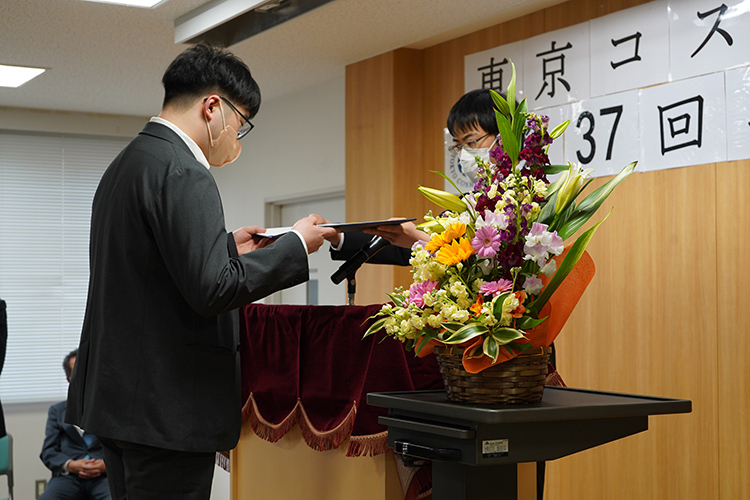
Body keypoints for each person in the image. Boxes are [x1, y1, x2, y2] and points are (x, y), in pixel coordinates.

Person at [66, 42, 336, 500]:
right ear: (213, 108)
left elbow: (147, 268)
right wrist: (295, 244)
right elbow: (213, 289)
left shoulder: (128, 164)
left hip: (119, 402)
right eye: (241, 123)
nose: (238, 137)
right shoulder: (184, 170)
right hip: (164, 408)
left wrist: (225, 247)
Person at [328, 88, 551, 500]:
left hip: (513, 359)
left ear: (506, 137)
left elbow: (496, 260)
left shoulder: (533, 199)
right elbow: (427, 248)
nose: (464, 154)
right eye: (457, 145)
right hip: (466, 359)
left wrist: (422, 239)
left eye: (472, 141)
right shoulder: (471, 201)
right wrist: (341, 237)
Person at [39, 350, 110, 500]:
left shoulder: (111, 410)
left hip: (105, 477)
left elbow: (123, 449)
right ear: (69, 379)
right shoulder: (57, 411)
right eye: (78, 373)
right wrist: (70, 465)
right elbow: (48, 451)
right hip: (68, 477)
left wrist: (106, 465)